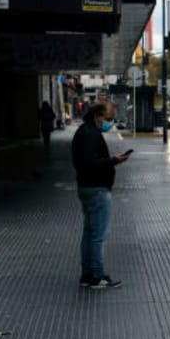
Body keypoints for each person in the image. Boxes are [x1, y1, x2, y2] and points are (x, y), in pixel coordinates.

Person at [71, 101, 131, 289]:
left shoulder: (84, 131)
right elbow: (91, 162)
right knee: (98, 235)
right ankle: (97, 276)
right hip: (97, 189)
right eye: (108, 119)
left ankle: (87, 274)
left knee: (89, 233)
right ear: (97, 116)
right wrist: (114, 161)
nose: (110, 123)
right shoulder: (90, 134)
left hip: (87, 188)